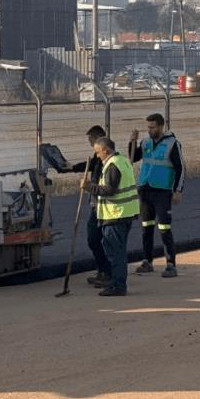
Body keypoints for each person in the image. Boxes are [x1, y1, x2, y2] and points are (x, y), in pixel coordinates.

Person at [54, 125, 115, 288]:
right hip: (97, 204)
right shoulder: (99, 157)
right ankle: (104, 270)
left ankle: (108, 273)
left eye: (91, 141)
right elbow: (89, 164)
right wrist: (72, 168)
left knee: (95, 239)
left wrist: (88, 186)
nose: (90, 144)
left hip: (103, 206)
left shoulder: (107, 160)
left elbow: (107, 187)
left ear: (98, 140)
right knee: (95, 239)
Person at [129, 113, 185, 278]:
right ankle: (147, 261)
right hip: (145, 189)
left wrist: (178, 190)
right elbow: (133, 157)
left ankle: (170, 264)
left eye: (152, 127)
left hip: (162, 191)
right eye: (148, 127)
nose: (149, 130)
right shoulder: (145, 142)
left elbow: (180, 168)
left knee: (164, 228)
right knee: (146, 227)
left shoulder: (172, 144)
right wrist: (132, 141)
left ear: (161, 126)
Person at [82, 136, 139, 297]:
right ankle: (116, 282)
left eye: (98, 152)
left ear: (105, 150)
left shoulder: (113, 165)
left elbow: (109, 190)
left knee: (115, 252)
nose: (97, 156)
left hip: (116, 214)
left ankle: (118, 285)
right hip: (124, 212)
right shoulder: (123, 161)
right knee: (118, 251)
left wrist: (88, 187)